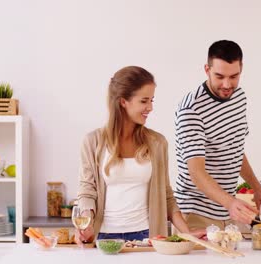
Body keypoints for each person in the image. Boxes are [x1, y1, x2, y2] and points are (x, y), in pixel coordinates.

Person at [76, 66, 204, 245]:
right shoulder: (93, 141)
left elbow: (166, 195)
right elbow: (87, 189)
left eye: (152, 100)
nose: (150, 108)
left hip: (148, 238)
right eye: (144, 101)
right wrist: (86, 221)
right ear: (123, 102)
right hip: (105, 238)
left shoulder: (157, 143)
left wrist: (187, 232)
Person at [174, 40, 261, 230]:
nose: (227, 84)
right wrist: (229, 203)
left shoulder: (238, 97)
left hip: (228, 211)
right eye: (219, 76)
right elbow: (196, 172)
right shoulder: (191, 109)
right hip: (195, 214)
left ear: (241, 69)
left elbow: (235, 150)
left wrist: (257, 189)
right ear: (206, 69)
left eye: (234, 76)